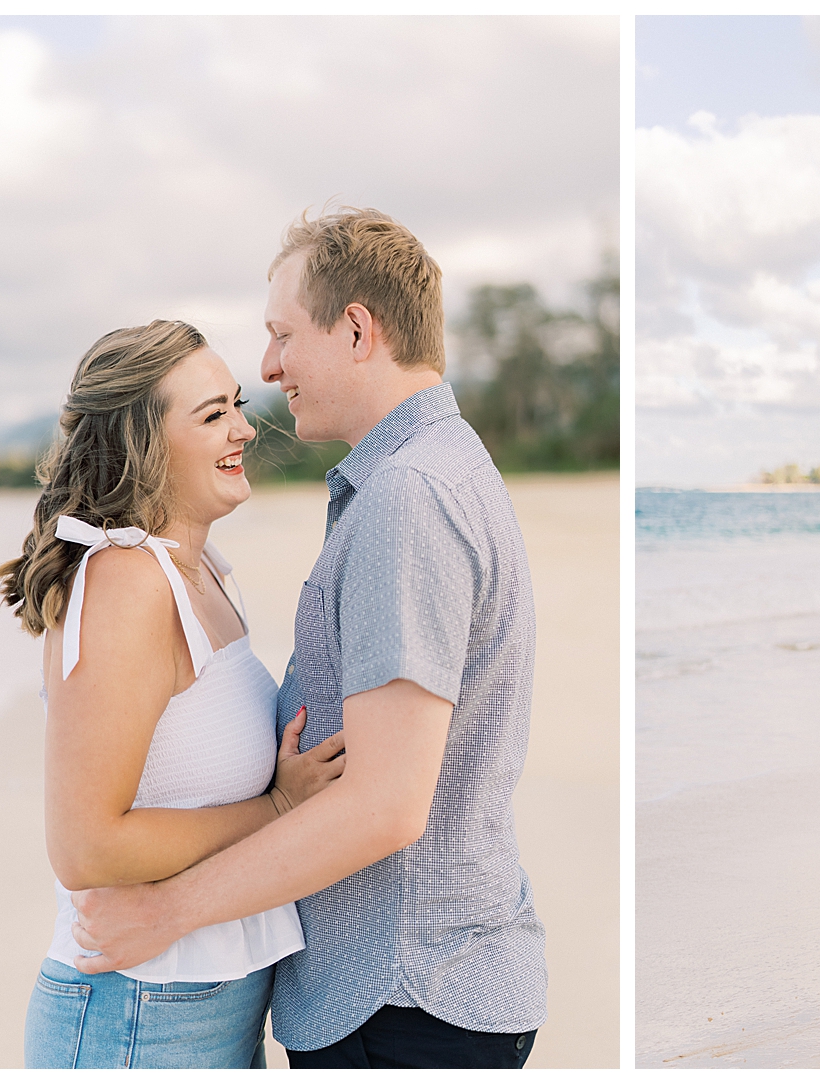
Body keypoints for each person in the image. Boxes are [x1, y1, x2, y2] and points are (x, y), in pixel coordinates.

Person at [68, 209, 547, 1069]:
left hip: (406, 995)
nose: (270, 366)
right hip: (416, 987)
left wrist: (168, 911)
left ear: (357, 329)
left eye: (283, 335)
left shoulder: (411, 496)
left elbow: (384, 806)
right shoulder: (437, 466)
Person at [0, 320, 346, 1068]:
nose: (245, 430)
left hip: (208, 1001)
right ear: (141, 445)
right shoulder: (126, 580)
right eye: (212, 414)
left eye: (237, 405)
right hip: (136, 1012)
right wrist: (278, 809)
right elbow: (86, 847)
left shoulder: (205, 571)